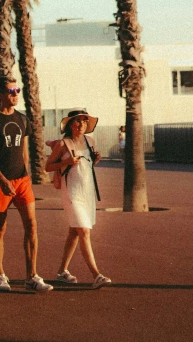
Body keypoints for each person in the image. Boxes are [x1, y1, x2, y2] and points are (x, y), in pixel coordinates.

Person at [0, 77, 53, 292]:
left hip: (22, 181)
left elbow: (24, 151)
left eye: (17, 90)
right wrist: (2, 180)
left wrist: (26, 175)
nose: (15, 95)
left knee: (31, 225)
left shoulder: (22, 119)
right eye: (11, 91)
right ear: (0, 94)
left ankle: (32, 276)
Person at [46, 108, 111, 288]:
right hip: (72, 192)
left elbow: (87, 165)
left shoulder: (90, 141)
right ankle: (96, 275)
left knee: (74, 232)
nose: (81, 124)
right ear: (70, 124)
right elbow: (47, 166)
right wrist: (66, 162)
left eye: (84, 121)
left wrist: (95, 158)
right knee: (84, 230)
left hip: (87, 192)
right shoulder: (63, 144)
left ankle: (62, 272)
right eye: (77, 121)